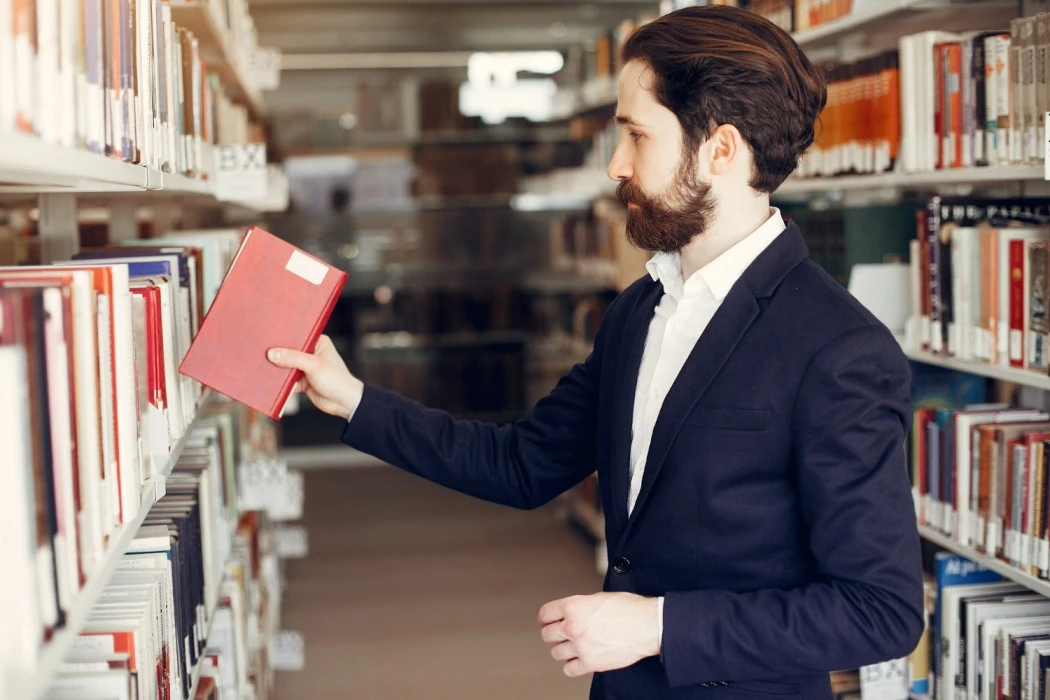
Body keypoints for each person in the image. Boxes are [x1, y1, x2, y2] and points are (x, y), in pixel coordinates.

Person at [267, 5, 924, 698]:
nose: (616, 166)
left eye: (636, 136)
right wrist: (354, 400)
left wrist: (659, 628)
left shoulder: (839, 349)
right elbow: (521, 463)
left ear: (721, 150)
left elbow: (880, 610)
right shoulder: (637, 313)